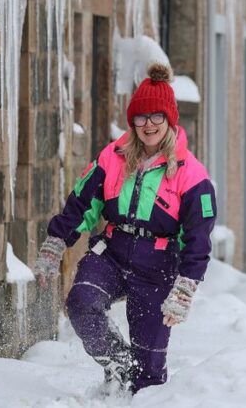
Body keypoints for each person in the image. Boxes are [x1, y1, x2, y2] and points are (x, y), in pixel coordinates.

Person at [34, 62, 217, 394]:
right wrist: (56, 242)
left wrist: (185, 289)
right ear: (132, 121)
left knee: (148, 376)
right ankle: (119, 365)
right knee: (81, 303)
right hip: (111, 255)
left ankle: (138, 385)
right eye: (140, 118)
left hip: (158, 268)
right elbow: (82, 201)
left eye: (156, 117)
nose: (148, 125)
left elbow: (198, 237)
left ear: (169, 120)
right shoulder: (112, 157)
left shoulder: (192, 174)